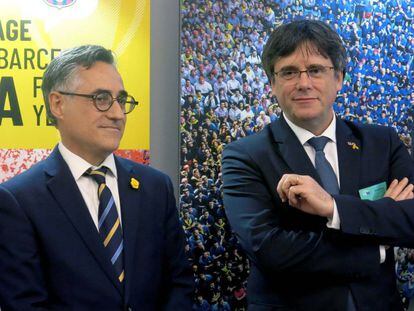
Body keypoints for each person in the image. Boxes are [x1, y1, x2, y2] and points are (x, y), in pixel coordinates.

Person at [222, 20, 414, 311]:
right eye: (288, 72)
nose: (303, 83)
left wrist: (333, 208)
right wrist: (377, 244)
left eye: (315, 70)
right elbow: (270, 250)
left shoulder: (382, 143)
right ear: (272, 83)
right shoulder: (244, 156)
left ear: (339, 78)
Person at [0, 45, 193, 310]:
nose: (117, 114)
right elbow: (25, 304)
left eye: (121, 100)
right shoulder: (19, 200)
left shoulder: (155, 187)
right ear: (58, 103)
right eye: (101, 98)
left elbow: (179, 283)